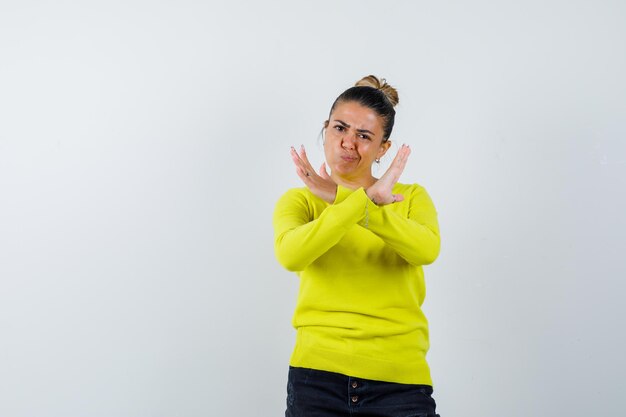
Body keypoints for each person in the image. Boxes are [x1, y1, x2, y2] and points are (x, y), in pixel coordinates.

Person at [273, 75, 441, 417]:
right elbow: (291, 255)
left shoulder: (409, 198)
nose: (349, 143)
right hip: (316, 379)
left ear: (383, 149)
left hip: (399, 382)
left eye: (364, 135)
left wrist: (344, 199)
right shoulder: (299, 201)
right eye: (339, 128)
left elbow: (425, 250)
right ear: (326, 129)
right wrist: (358, 201)